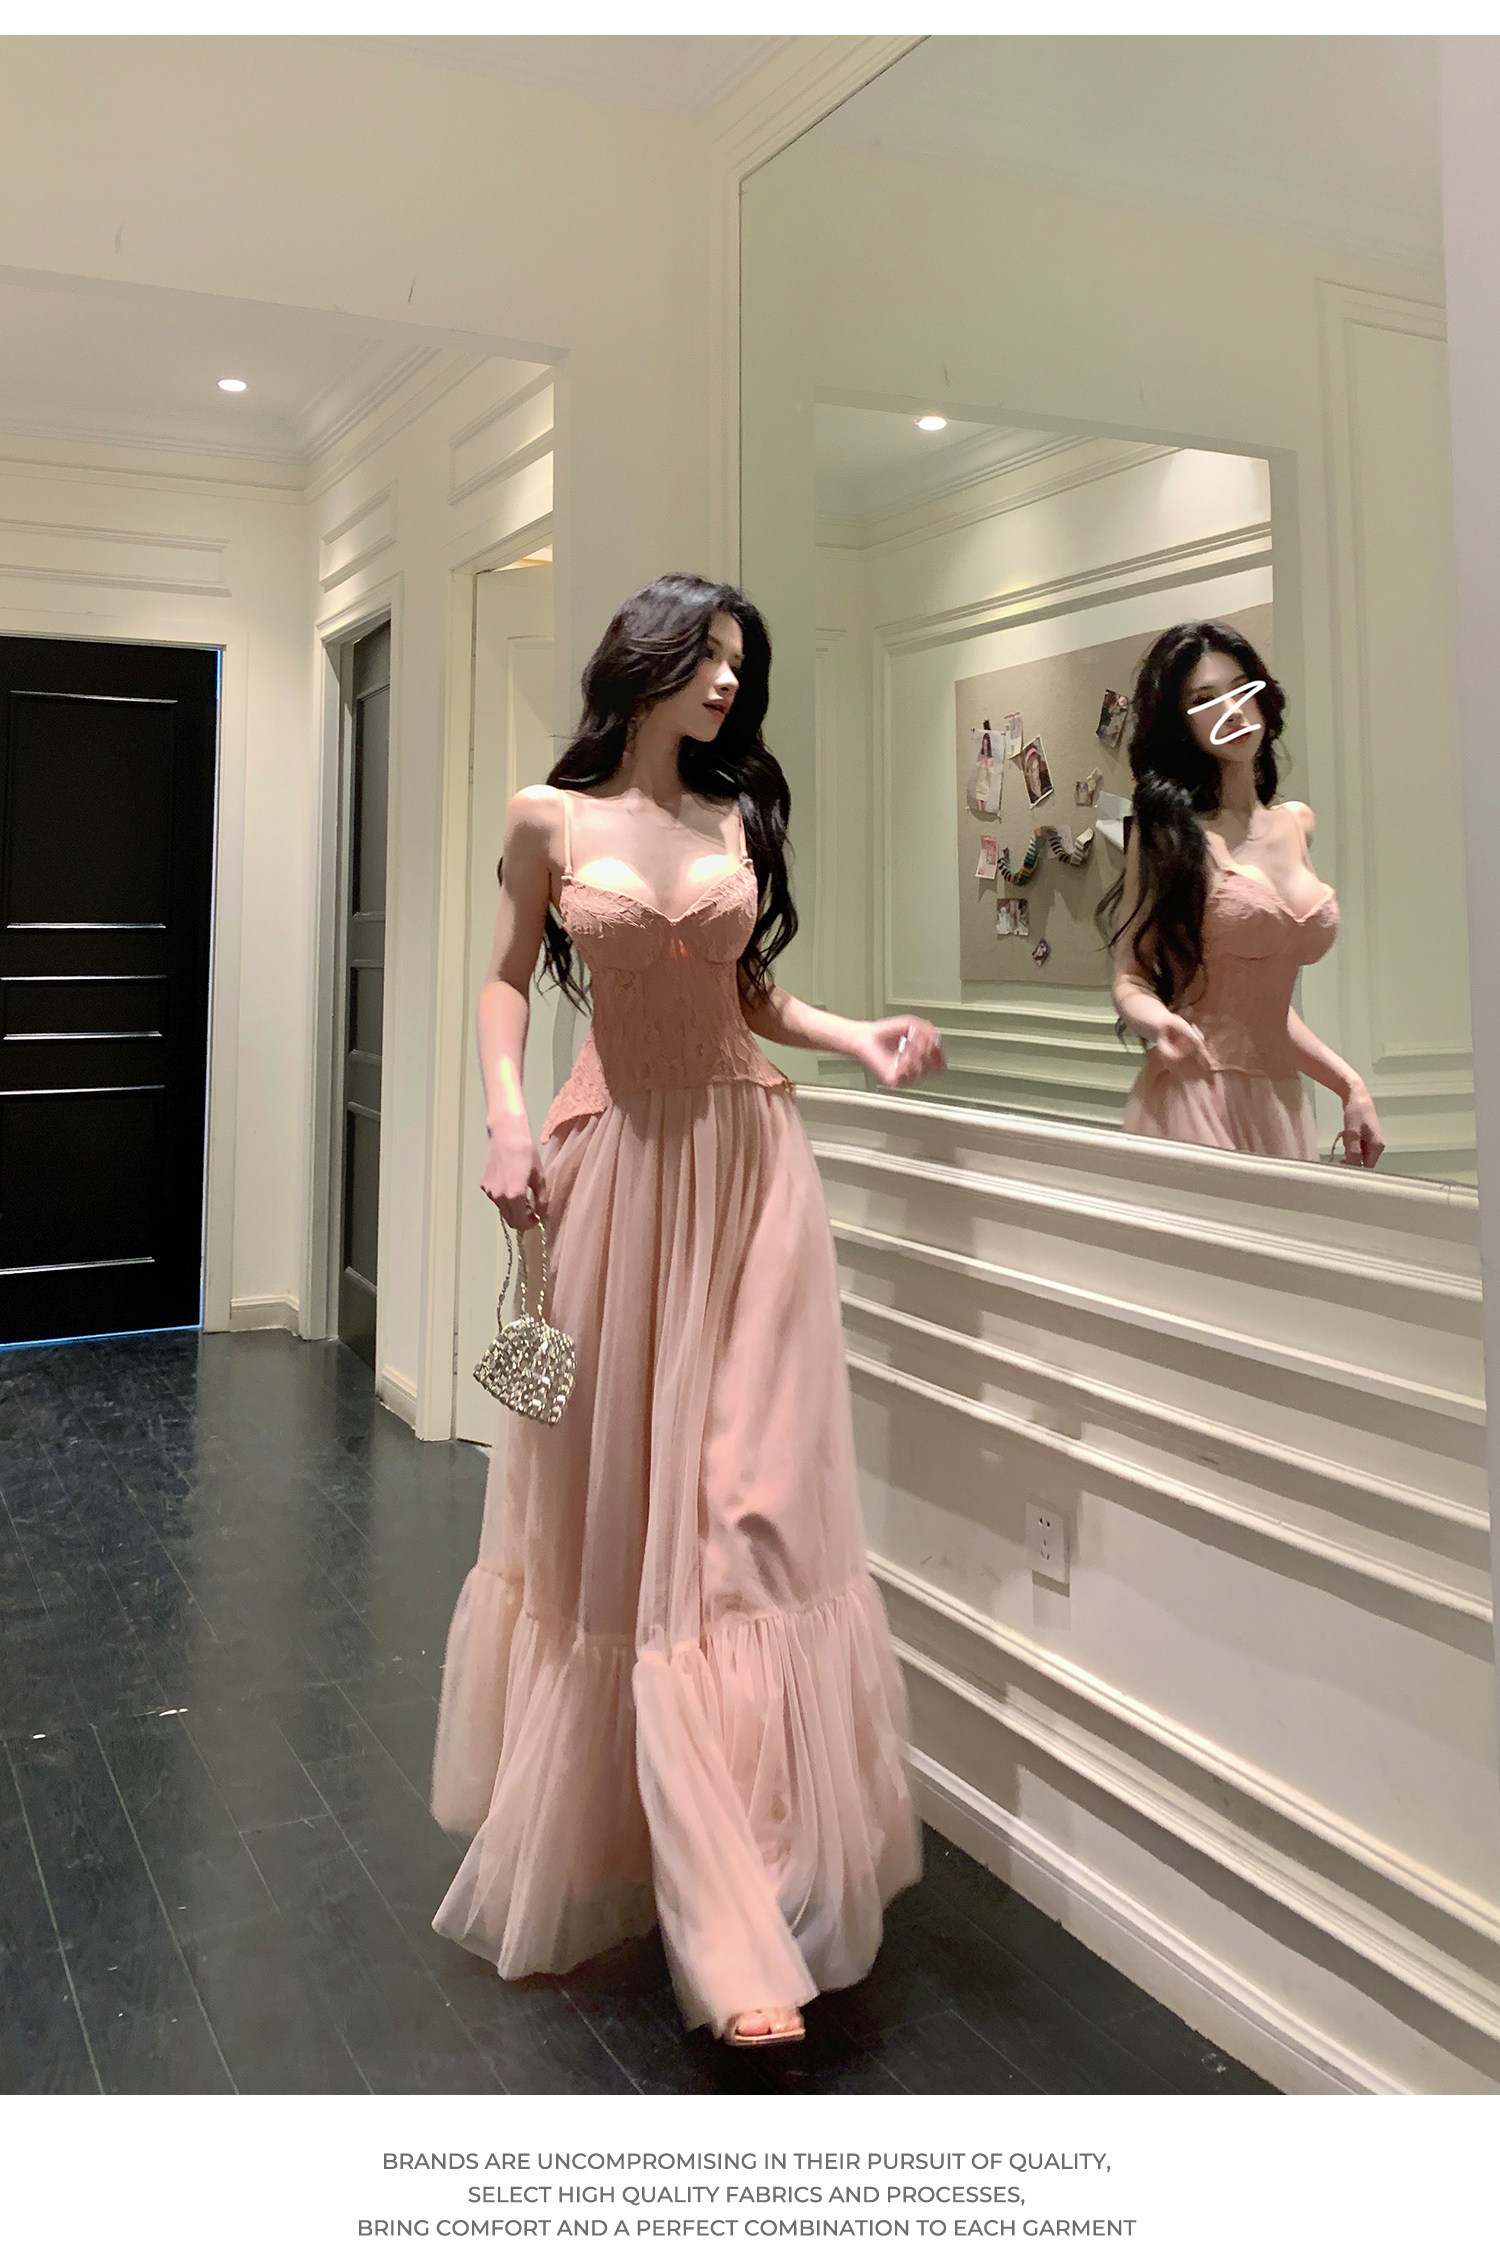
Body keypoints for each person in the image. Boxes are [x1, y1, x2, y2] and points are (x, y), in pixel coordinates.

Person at [429, 574, 944, 2048]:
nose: (727, 681)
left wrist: (857, 1038)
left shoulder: (736, 818)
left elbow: (748, 995)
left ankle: (742, 1917)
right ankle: (665, 1857)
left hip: (750, 1171)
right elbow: (506, 981)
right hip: (614, 1175)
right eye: (706, 656)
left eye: (740, 663)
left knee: (752, 1514)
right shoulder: (550, 818)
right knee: (621, 1523)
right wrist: (505, 1120)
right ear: (644, 661)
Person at [1100, 620, 1384, 1167]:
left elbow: (1266, 1011)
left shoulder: (1297, 824)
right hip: (1196, 1092)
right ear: (1181, 725)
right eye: (1204, 701)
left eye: (1239, 689)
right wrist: (1157, 1021)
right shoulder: (1168, 838)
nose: (1231, 710)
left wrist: (1350, 1085)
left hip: (1279, 1103)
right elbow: (1130, 976)